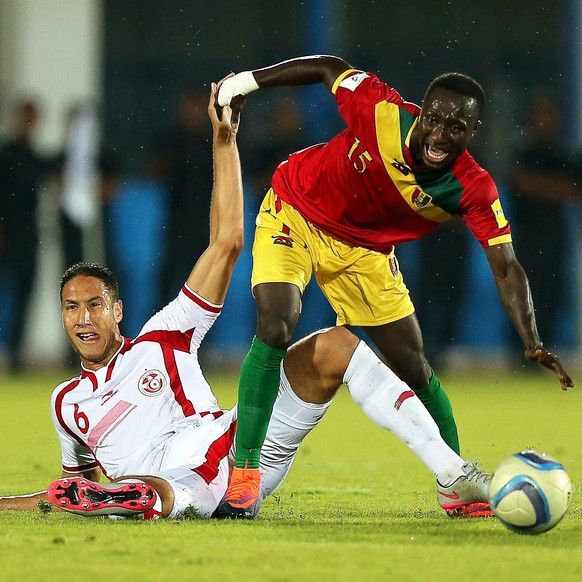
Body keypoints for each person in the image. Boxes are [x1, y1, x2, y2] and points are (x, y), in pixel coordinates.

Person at [0, 82, 491, 520]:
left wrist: (225, 141)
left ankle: (453, 474)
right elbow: (70, 490)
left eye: (94, 304)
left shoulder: (163, 335)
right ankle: (139, 500)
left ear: (118, 310)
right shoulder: (65, 403)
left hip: (234, 450)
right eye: (71, 307)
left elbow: (228, 241)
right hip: (164, 480)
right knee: (147, 488)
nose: (84, 317)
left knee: (337, 345)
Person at [214, 55, 574, 518]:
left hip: (366, 254)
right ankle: (244, 475)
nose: (442, 134)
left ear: (474, 132)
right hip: (296, 211)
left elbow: (506, 268)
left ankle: (455, 482)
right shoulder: (378, 110)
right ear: (420, 111)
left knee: (414, 366)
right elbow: (328, 67)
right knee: (277, 323)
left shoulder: (473, 188)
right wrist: (249, 82)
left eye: (457, 127)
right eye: (435, 119)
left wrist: (533, 340)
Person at [506, 92, 582, 354]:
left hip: (554, 240)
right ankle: (520, 355)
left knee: (552, 298)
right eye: (540, 116)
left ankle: (543, 353)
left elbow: (573, 190)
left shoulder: (563, 157)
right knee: (524, 298)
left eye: (550, 116)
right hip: (525, 241)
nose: (546, 121)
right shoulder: (522, 153)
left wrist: (540, 186)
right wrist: (552, 188)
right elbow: (519, 182)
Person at [0, 100, 46, 372]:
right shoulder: (6, 154)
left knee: (25, 295)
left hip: (28, 234)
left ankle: (15, 352)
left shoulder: (34, 156)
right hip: (7, 232)